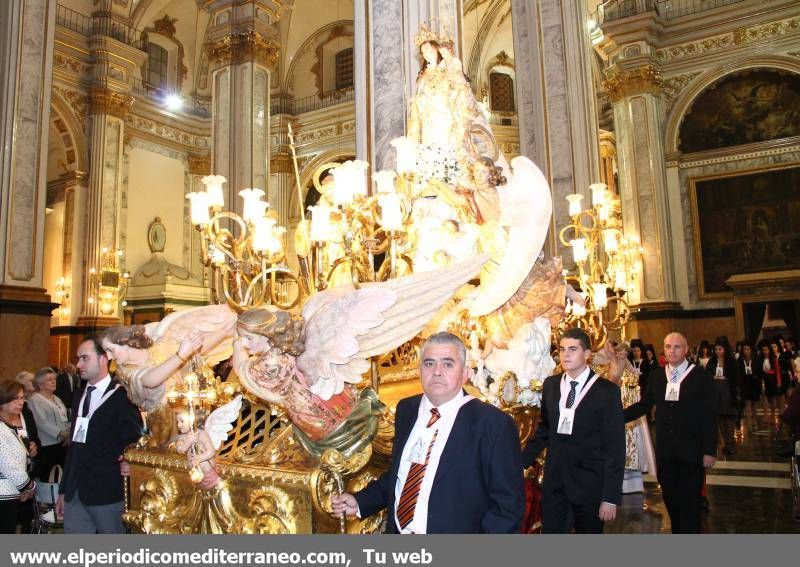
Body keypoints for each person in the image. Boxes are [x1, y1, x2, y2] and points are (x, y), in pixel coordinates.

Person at [331, 332, 524, 533]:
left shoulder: (493, 424)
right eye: (429, 363)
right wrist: (360, 501)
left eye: (448, 364)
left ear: (465, 373)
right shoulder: (407, 410)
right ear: (420, 369)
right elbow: (402, 473)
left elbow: (507, 509)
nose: (437, 371)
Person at [522, 328, 625, 533]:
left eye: (572, 349)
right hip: (556, 483)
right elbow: (544, 430)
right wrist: (519, 463)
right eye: (561, 349)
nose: (565, 354)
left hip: (590, 486)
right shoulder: (551, 385)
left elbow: (615, 447)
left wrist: (610, 497)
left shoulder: (607, 391)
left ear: (587, 354)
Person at [623, 332, 717, 533]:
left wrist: (709, 450)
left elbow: (709, 414)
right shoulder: (657, 375)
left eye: (676, 347)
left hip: (692, 451)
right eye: (667, 347)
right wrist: (616, 416)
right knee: (671, 500)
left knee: (690, 504)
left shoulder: (700, 376)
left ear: (685, 349)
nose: (672, 351)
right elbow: (645, 404)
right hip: (666, 452)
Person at [56, 337, 143, 533]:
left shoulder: (122, 396)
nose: (78, 365)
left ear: (104, 359)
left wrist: (127, 459)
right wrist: (63, 490)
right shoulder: (79, 395)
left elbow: (135, 439)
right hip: (75, 491)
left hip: (106, 492)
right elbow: (75, 446)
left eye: (85, 358)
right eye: (78, 359)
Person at [0, 381, 37, 533]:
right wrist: (30, 487)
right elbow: (10, 467)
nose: (21, 402)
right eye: (15, 398)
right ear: (3, 400)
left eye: (22, 398)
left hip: (10, 494)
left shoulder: (9, 426)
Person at [26, 367, 70, 479]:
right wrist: (62, 434)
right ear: (40, 384)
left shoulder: (56, 398)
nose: (53, 381)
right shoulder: (35, 400)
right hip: (46, 446)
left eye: (54, 379)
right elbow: (42, 422)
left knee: (59, 476)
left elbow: (64, 417)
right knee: (47, 478)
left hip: (61, 443)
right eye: (49, 379)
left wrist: (68, 434)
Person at [706, 341, 739, 455]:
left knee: (728, 418)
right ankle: (725, 442)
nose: (718, 352)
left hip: (727, 391)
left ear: (725, 349)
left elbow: (735, 377)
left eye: (720, 349)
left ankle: (731, 442)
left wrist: (727, 378)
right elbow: (707, 374)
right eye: (716, 349)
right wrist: (712, 377)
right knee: (720, 417)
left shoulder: (731, 362)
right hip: (716, 391)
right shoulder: (712, 361)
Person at [737, 342, 766, 430]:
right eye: (744, 349)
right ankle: (749, 424)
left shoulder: (756, 360)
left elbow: (760, 373)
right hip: (745, 384)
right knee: (747, 404)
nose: (746, 351)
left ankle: (754, 422)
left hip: (755, 383)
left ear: (751, 350)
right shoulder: (740, 360)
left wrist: (761, 383)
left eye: (748, 349)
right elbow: (738, 373)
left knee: (755, 404)